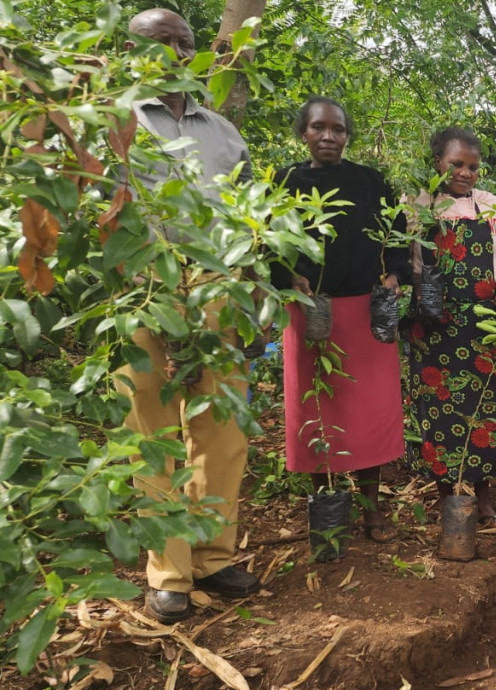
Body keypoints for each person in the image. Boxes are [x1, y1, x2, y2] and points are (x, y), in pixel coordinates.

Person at [118, 8, 258, 623]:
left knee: (221, 425)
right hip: (143, 287)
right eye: (161, 43)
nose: (177, 54)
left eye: (186, 43)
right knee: (152, 429)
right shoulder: (114, 122)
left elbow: (251, 214)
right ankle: (168, 570)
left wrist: (251, 286)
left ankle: (213, 555)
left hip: (219, 287)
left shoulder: (225, 131)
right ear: (135, 53)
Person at [271, 97, 407, 546]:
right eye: (318, 128)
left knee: (371, 410)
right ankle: (327, 511)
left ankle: (371, 510)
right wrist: (290, 276)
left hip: (367, 313)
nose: (328, 136)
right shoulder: (285, 181)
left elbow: (398, 233)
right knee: (317, 410)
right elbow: (268, 242)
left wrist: (393, 274)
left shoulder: (371, 181)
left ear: (348, 135)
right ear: (303, 132)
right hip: (312, 311)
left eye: (338, 129)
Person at [402, 127, 496, 547]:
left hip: (484, 325)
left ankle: (484, 494)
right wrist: (419, 285)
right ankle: (448, 495)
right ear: (437, 161)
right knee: (439, 411)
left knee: (487, 408)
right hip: (435, 326)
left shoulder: (494, 208)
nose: (466, 173)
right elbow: (407, 261)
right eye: (456, 164)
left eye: (473, 167)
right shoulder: (418, 205)